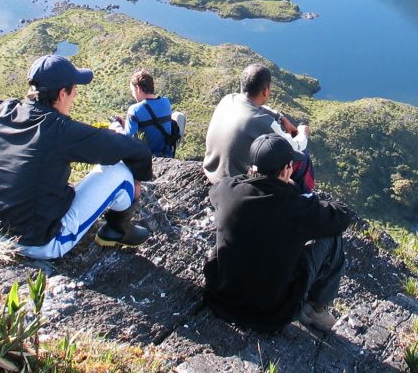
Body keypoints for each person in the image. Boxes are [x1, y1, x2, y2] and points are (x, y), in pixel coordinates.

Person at [0, 54, 154, 259]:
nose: (75, 94)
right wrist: (136, 182)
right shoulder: (62, 130)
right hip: (39, 243)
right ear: (61, 94)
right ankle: (118, 230)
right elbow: (137, 150)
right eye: (73, 88)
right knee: (120, 172)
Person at [204, 133, 351, 333]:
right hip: (271, 314)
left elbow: (219, 189)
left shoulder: (228, 191)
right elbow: (342, 215)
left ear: (252, 168)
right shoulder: (296, 207)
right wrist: (300, 193)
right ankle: (316, 309)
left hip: (221, 300)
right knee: (332, 239)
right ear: (285, 171)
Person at [203, 63, 314, 191]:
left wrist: (281, 118)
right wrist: (303, 133)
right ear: (266, 91)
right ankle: (304, 198)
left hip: (211, 170)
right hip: (236, 182)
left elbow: (255, 106)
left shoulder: (228, 99)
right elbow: (294, 146)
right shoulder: (263, 122)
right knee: (302, 157)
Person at [113, 68, 184, 157]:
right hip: (167, 155)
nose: (132, 94)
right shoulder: (166, 102)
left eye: (132, 90)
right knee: (177, 116)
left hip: (149, 158)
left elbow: (127, 139)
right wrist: (126, 123)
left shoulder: (134, 110)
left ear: (138, 88)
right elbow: (153, 125)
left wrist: (117, 127)